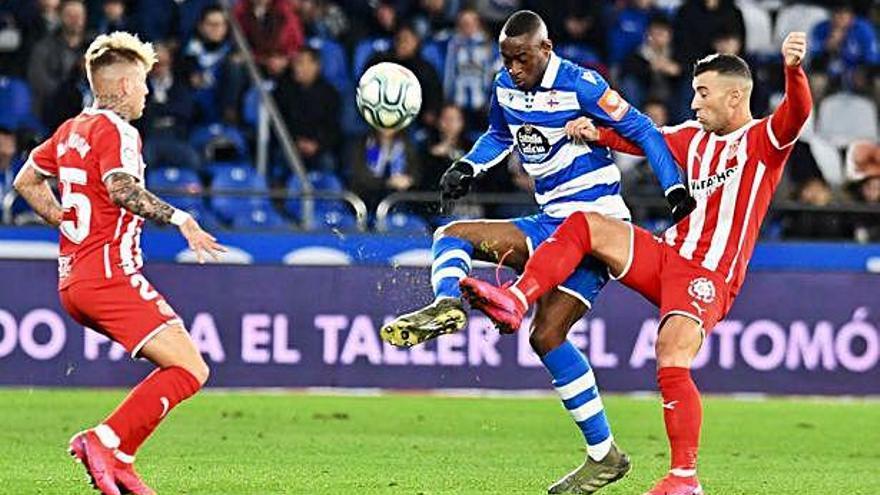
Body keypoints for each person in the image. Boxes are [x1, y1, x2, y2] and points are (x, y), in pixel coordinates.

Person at [460, 32, 811, 495]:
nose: (694, 101)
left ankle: (684, 478)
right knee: (587, 223)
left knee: (671, 354)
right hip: (668, 255)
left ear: (735, 96)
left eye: (703, 93)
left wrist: (792, 71)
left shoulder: (763, 141)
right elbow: (646, 140)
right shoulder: (693, 137)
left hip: (709, 273)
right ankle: (516, 298)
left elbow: (797, 115)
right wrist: (597, 132)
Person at [380, 10, 693, 494]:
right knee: (456, 239)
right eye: (506, 59)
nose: (513, 68)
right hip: (549, 223)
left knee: (546, 333)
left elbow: (645, 131)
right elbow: (502, 136)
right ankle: (447, 305)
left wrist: (673, 188)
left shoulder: (583, 85)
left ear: (545, 49)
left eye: (521, 58)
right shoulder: (505, 86)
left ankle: (602, 455)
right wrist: (467, 166)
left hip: (597, 229)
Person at [13, 31, 225, 495]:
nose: (148, 94)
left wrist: (64, 219)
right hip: (111, 277)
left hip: (74, 281)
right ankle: (104, 441)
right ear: (126, 85)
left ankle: (122, 460)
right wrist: (181, 217)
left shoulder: (71, 130)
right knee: (192, 370)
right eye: (145, 83)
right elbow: (119, 189)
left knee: (184, 366)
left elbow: (26, 180)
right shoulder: (117, 130)